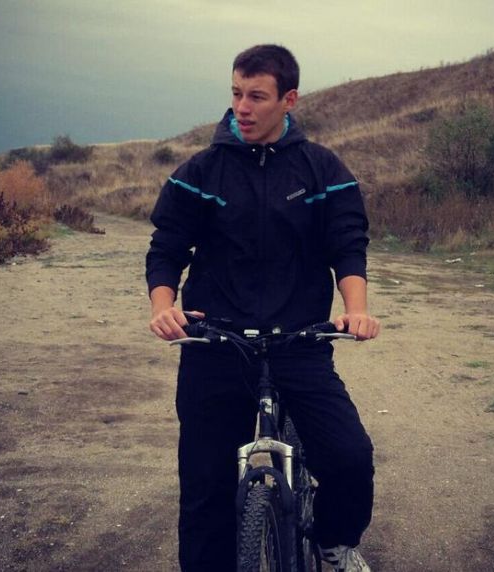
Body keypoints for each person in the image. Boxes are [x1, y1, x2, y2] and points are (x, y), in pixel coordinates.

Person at [146, 44, 379, 572]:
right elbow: (167, 248)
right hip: (215, 344)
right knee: (206, 490)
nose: (242, 108)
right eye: (236, 94)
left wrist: (356, 309)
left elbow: (347, 244)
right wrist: (164, 306)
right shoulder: (200, 171)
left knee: (349, 459)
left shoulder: (323, 169)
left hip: (300, 343)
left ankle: (333, 542)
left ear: (288, 100)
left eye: (256, 96)